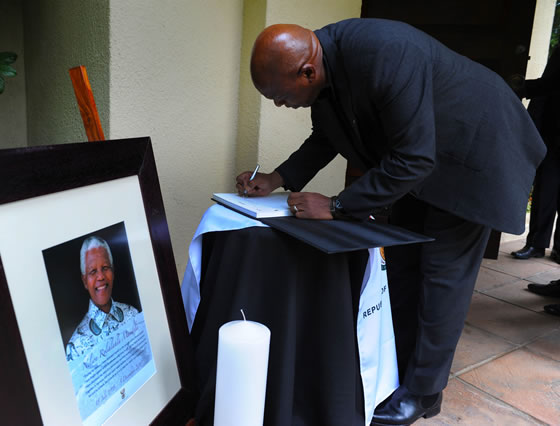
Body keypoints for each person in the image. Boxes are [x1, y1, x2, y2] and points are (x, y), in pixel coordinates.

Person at [237, 19, 545, 425]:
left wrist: (336, 204)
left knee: (441, 275)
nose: (279, 105)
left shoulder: (386, 53)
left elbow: (415, 157)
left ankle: (423, 392)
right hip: (423, 160)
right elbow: (327, 138)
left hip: (477, 152)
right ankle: (399, 370)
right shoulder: (322, 65)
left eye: (278, 96)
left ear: (306, 72)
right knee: (402, 265)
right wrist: (276, 179)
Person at [511, 47, 560, 263]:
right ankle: (536, 243)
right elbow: (550, 83)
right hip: (553, 132)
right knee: (545, 191)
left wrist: (523, 87)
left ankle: (558, 248)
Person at [66, 236, 140, 361]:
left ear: (113, 272)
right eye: (93, 271)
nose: (100, 277)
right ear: (85, 281)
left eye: (105, 268)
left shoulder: (133, 314)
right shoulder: (75, 348)